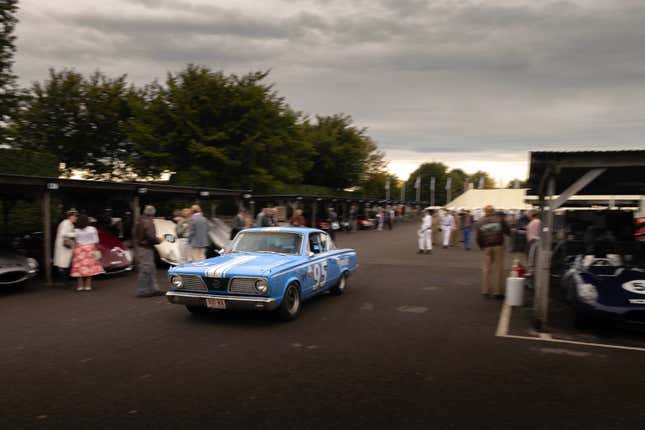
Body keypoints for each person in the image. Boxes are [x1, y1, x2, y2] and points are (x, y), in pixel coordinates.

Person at [475, 205, 511, 299]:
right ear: (493, 211)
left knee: (486, 269)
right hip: (498, 245)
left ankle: (485, 291)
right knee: (498, 268)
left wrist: (482, 246)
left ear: (484, 211)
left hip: (486, 247)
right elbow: (507, 230)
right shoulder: (499, 219)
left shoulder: (480, 221)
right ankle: (497, 292)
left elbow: (477, 237)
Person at [134, 205, 164, 297]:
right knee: (146, 269)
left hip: (142, 246)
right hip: (146, 247)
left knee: (151, 269)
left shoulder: (140, 220)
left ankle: (153, 289)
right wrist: (159, 240)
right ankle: (142, 291)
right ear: (153, 213)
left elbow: (136, 233)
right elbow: (150, 236)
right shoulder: (149, 222)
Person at [70, 214, 104, 291]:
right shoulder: (92, 229)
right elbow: (96, 240)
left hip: (79, 249)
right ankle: (88, 286)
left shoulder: (76, 230)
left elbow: (74, 240)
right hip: (90, 249)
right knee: (89, 267)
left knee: (79, 268)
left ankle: (80, 286)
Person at [53, 209, 78, 286]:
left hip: (66, 247)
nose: (76, 218)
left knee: (65, 264)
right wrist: (75, 234)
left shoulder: (68, 223)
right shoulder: (66, 223)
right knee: (63, 265)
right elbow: (64, 233)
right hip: (64, 247)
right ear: (71, 216)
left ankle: (65, 282)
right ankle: (64, 282)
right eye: (75, 216)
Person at [525, 210, 542, 277]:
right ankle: (531, 271)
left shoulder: (536, 221)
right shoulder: (535, 222)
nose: (528, 216)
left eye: (529, 214)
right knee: (531, 257)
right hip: (533, 241)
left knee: (532, 257)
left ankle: (531, 271)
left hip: (535, 241)